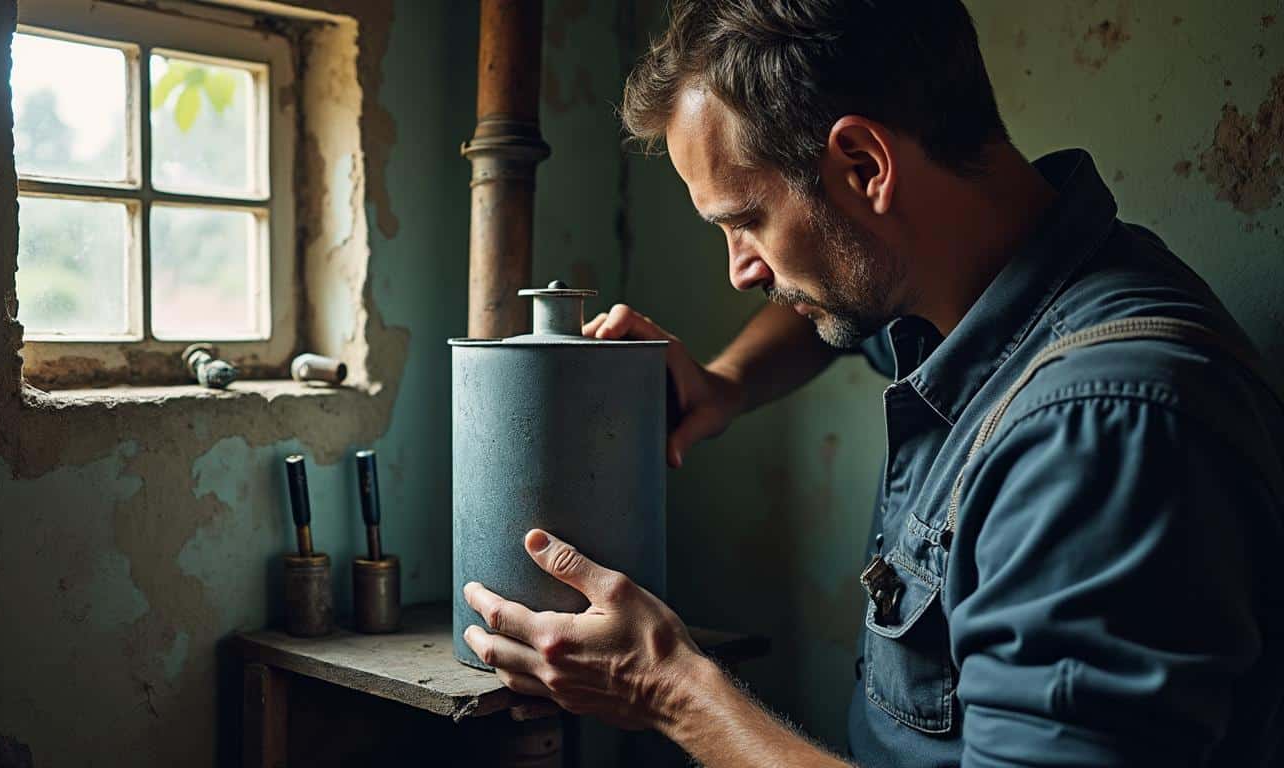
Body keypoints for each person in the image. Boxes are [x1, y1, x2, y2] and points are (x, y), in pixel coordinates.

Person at [462, 1, 1284, 765]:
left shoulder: (1100, 443)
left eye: (745, 220)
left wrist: (670, 689)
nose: (743, 271)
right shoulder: (967, 283)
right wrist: (727, 383)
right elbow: (840, 318)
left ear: (862, 164)